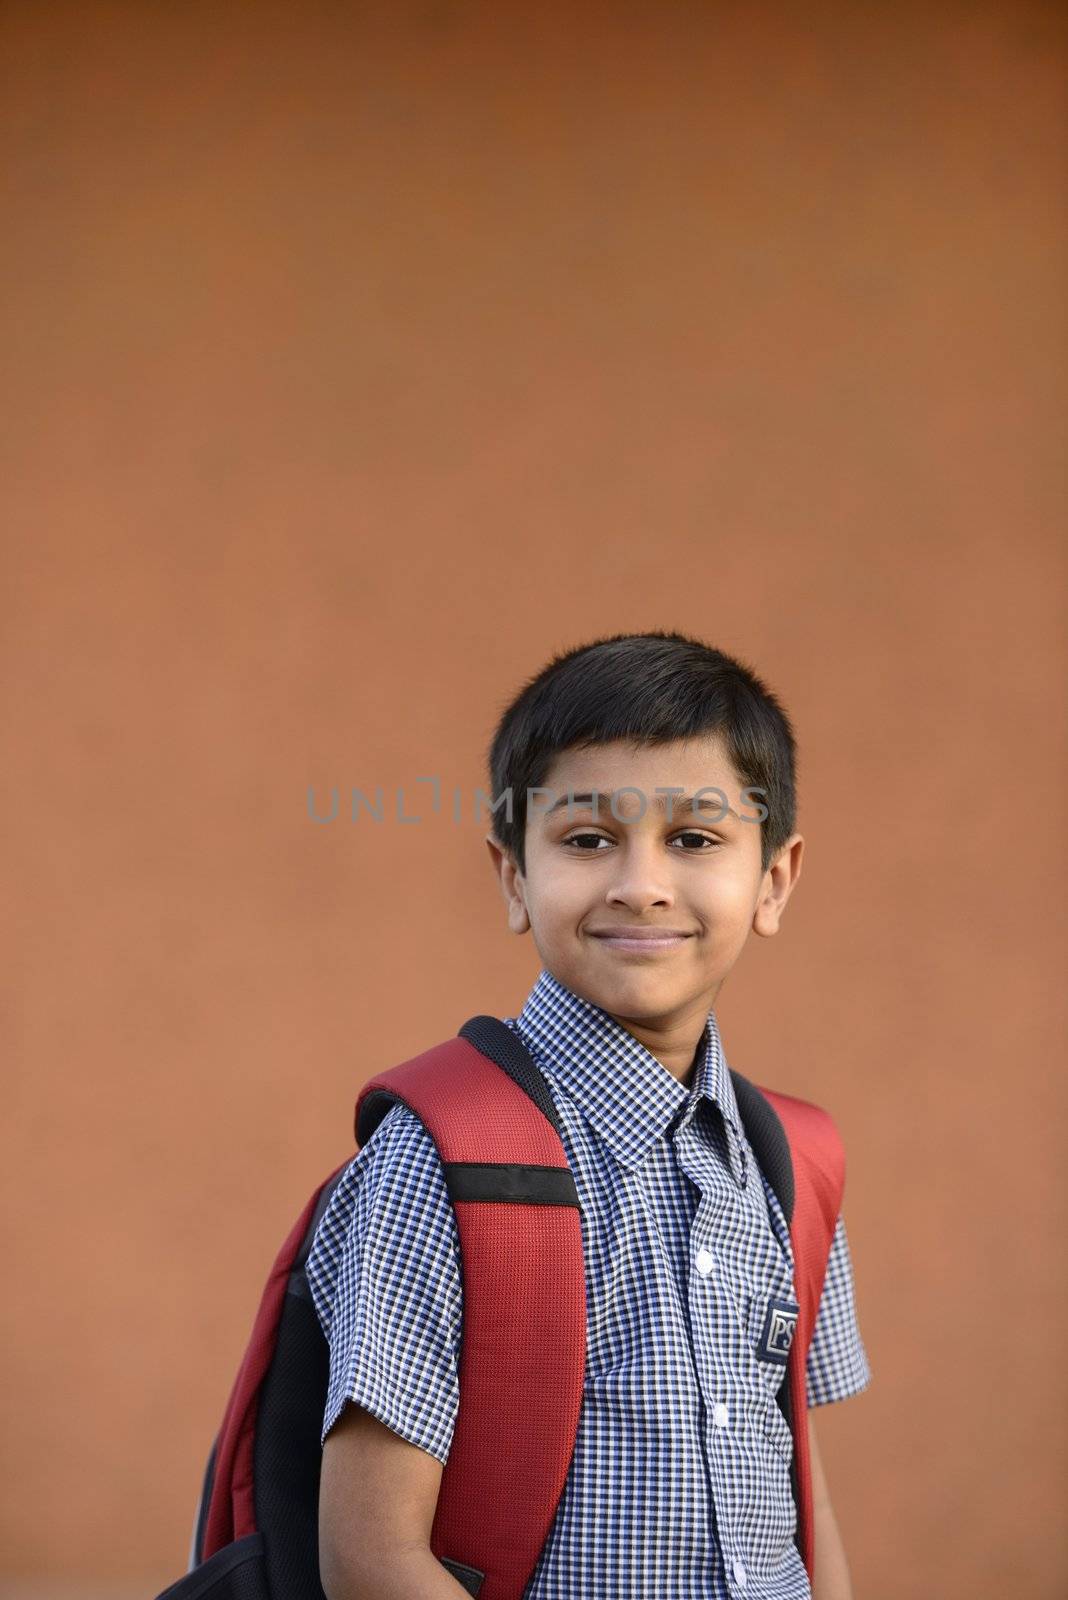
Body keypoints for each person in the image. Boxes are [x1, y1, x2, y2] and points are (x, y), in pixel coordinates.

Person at [307, 630, 872, 1600]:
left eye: (694, 838)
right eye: (586, 838)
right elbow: (370, 1556)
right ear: (514, 876)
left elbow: (796, 1495)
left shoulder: (789, 1161)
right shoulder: (441, 1160)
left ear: (773, 879)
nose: (640, 881)